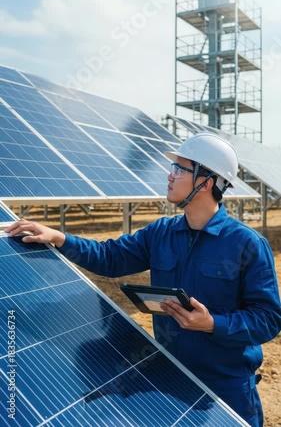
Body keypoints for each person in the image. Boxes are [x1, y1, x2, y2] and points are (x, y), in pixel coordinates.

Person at [5, 132, 281, 426]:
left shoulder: (246, 244)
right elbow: (109, 257)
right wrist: (60, 238)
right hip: (171, 378)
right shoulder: (161, 232)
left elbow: (268, 319)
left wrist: (212, 324)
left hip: (225, 390)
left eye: (179, 168)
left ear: (206, 181)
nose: (170, 175)